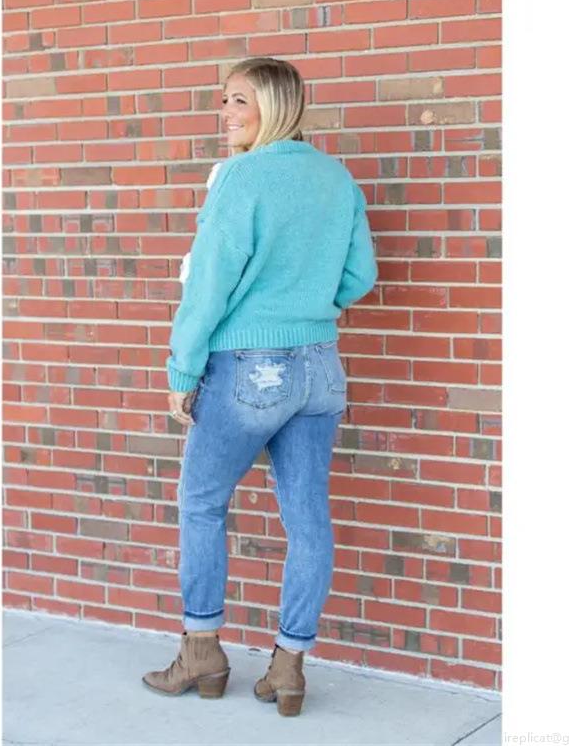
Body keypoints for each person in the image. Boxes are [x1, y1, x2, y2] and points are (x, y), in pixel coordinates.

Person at [141, 57, 378, 717]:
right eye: (224, 100)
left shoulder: (242, 177)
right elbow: (360, 275)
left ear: (274, 105)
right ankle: (289, 666)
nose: (226, 112)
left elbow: (208, 285)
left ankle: (201, 653)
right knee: (308, 519)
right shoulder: (336, 178)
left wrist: (182, 370)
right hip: (320, 367)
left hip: (248, 366)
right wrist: (310, 307)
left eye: (239, 100)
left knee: (202, 505)